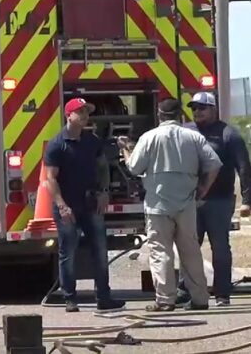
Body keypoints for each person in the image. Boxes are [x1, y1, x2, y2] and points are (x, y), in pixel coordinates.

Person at [118, 97, 222, 312]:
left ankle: (165, 300)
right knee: (191, 251)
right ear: (180, 115)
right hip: (186, 204)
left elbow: (135, 168)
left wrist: (126, 149)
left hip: (158, 205)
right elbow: (214, 164)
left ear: (159, 115)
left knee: (161, 252)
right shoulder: (193, 137)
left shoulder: (149, 137)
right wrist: (203, 188)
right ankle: (201, 299)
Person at [44, 97, 125, 313]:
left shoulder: (92, 141)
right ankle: (70, 298)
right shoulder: (56, 144)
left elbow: (102, 169)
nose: (84, 116)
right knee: (68, 253)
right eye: (79, 112)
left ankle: (104, 298)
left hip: (91, 203)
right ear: (68, 115)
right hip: (67, 206)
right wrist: (62, 206)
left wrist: (104, 192)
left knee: (99, 250)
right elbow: (50, 179)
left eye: (86, 112)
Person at [175, 92, 251, 307]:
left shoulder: (229, 134)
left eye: (202, 107)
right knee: (188, 246)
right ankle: (184, 290)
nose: (197, 111)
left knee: (220, 247)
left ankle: (222, 293)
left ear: (213, 109)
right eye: (194, 108)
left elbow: (244, 168)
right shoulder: (186, 131)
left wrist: (247, 200)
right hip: (190, 201)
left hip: (220, 200)